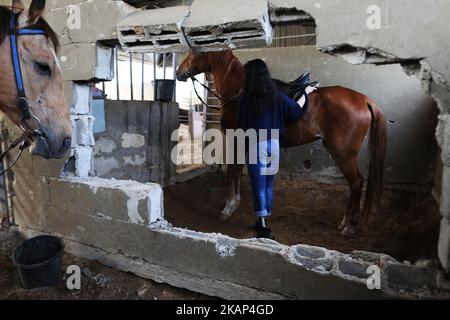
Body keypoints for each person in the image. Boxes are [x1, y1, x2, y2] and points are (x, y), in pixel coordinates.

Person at [238, 59, 316, 239]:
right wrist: (305, 92)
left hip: (255, 144)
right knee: (267, 186)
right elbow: (296, 111)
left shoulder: (245, 97)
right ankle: (264, 221)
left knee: (257, 186)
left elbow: (241, 122)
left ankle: (264, 228)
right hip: (274, 145)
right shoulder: (277, 96)